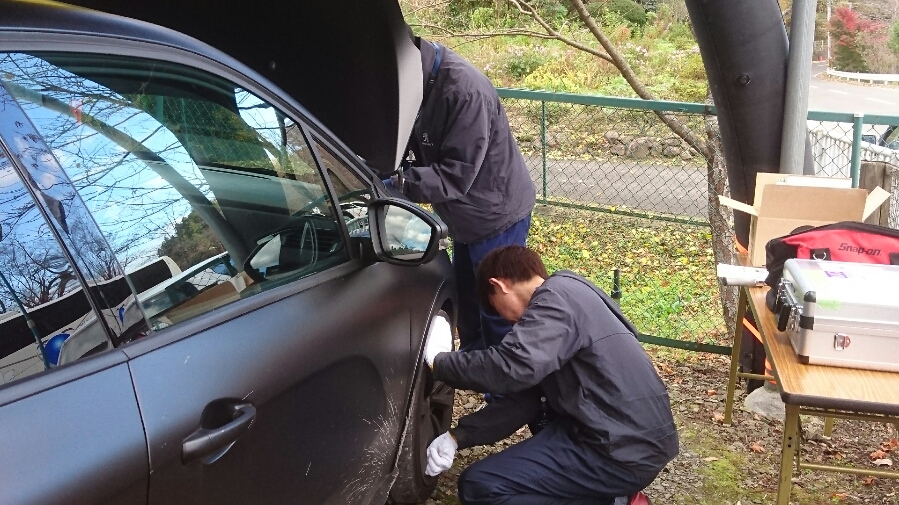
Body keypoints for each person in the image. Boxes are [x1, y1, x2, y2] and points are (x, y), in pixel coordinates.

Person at [421, 245, 678, 505]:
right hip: (632, 440)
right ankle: (609, 495)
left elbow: (510, 367)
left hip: (616, 450)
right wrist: (458, 437)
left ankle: (610, 501)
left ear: (499, 285)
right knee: (482, 480)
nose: (505, 320)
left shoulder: (554, 300)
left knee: (483, 488)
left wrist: (439, 363)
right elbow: (527, 398)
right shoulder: (574, 295)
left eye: (494, 307)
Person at [386, 31, 536, 351]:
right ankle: (476, 369)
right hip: (465, 219)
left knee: (499, 309)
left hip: (497, 216)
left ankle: (507, 390)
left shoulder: (465, 92)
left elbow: (455, 177)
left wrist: (399, 184)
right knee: (468, 303)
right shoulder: (417, 86)